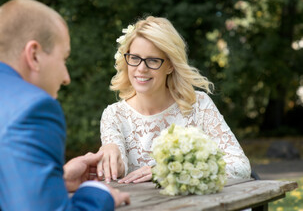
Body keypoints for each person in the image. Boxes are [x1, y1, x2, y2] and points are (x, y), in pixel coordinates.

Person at [0, 0, 130, 210]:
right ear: (34, 55)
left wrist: (56, 180)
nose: (66, 77)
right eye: (64, 58)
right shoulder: (30, 109)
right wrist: (99, 193)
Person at [97, 16, 251, 184]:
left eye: (153, 60)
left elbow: (240, 166)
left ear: (170, 65)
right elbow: (118, 168)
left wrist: (166, 171)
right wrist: (110, 151)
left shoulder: (198, 105)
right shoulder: (114, 115)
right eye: (134, 58)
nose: (141, 68)